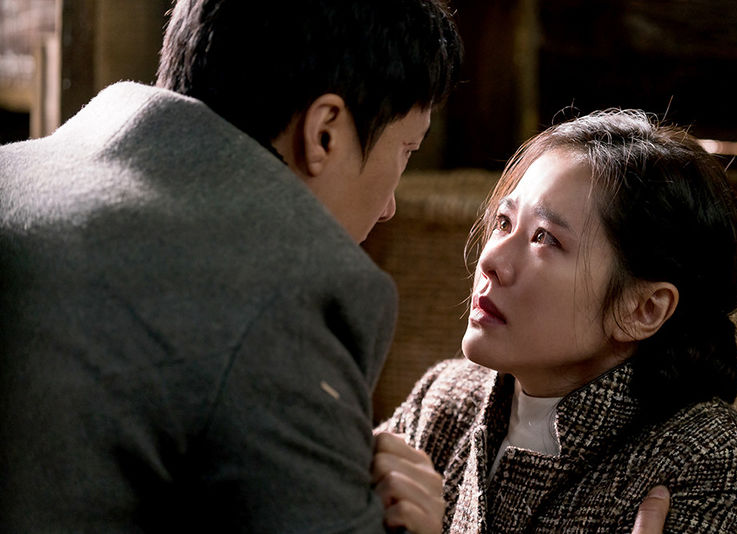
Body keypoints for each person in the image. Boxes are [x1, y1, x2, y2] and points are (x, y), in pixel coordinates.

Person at [0, 1, 461, 532]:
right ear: (325, 133)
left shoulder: (15, 173)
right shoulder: (284, 289)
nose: (389, 208)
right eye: (406, 151)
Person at [378, 109, 737, 532]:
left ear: (643, 309)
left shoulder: (715, 469)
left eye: (545, 238)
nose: (492, 260)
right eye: (503, 222)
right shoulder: (445, 400)